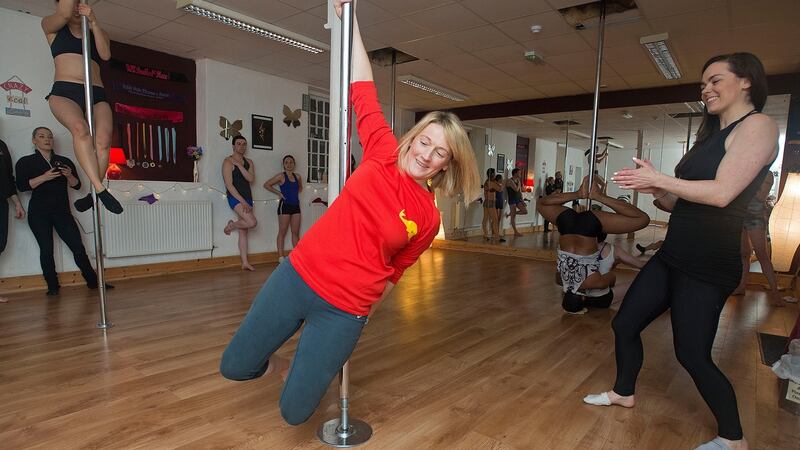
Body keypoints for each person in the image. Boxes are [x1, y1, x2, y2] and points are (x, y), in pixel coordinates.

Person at [219, 0, 480, 426]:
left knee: (295, 413)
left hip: (346, 309)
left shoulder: (429, 218)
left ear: (446, 164)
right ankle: (287, 365)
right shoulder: (380, 150)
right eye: (424, 142)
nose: (427, 154)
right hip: (297, 277)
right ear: (413, 139)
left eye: (440, 152)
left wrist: (360, 317)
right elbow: (362, 87)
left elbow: (394, 274)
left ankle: (305, 371)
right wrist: (350, 19)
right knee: (235, 366)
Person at [589, 53, 778, 450]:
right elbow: (684, 203)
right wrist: (658, 190)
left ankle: (732, 438)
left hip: (708, 263)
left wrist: (662, 179)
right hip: (674, 254)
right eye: (703, 84)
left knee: (691, 354)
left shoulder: (758, 126)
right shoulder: (710, 136)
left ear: (746, 82)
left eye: (714, 80)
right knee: (624, 325)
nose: (705, 89)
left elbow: (724, 194)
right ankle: (624, 392)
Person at [42, 0, 122, 214]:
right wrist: (70, 6)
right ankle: (99, 189)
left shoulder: (96, 31)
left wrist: (94, 21)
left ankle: (93, 193)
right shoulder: (51, 26)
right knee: (80, 129)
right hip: (64, 91)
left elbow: (105, 55)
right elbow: (65, 13)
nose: (77, 6)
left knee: (104, 140)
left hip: (96, 92)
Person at [15, 127, 111, 296]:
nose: (47, 139)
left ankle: (93, 282)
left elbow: (77, 185)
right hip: (39, 213)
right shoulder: (25, 161)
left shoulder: (64, 161)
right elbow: (22, 186)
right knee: (46, 249)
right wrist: (44, 177)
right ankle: (53, 286)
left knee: (78, 247)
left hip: (62, 211)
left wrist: (68, 176)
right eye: (42, 136)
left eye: (50, 137)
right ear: (34, 140)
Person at [538, 177, 649, 314]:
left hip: (589, 228)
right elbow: (543, 202)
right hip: (566, 225)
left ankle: (600, 197)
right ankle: (578, 193)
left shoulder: (595, 283)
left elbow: (612, 278)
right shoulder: (560, 279)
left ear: (583, 299)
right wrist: (577, 196)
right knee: (541, 204)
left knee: (642, 219)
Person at [733, 174, 786, 305]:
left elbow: (760, 196)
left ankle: (775, 294)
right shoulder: (746, 169)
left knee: (762, 254)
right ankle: (741, 286)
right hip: (739, 214)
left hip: (754, 216)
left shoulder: (767, 174)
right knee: (744, 253)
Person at [222, 136, 257, 271]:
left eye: (244, 144)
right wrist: (242, 202)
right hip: (235, 198)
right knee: (252, 222)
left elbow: (251, 178)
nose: (241, 146)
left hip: (248, 197)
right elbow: (229, 185)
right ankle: (232, 225)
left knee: (244, 231)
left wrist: (239, 165)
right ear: (233, 146)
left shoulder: (249, 162)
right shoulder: (227, 162)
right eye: (238, 144)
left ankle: (245, 262)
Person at [264, 155, 303, 263]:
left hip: (296, 206)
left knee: (295, 232)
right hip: (284, 206)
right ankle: (281, 257)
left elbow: (300, 187)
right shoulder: (281, 176)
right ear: (284, 164)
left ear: (294, 164)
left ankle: (297, 257)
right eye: (286, 162)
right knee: (282, 231)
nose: (289, 164)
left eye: (291, 162)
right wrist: (279, 193)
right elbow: (267, 185)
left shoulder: (298, 176)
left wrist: (294, 194)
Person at [1, 139, 26, 303]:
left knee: (0, 244)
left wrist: (17, 203)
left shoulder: (2, 145)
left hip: (1, 201)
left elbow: (7, 177)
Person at [506, 168, 525, 236]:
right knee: (513, 217)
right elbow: (516, 189)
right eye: (519, 173)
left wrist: (522, 201)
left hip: (518, 199)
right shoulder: (510, 181)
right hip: (512, 200)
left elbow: (520, 192)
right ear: (515, 173)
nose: (520, 174)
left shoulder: (518, 181)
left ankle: (511, 213)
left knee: (524, 211)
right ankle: (515, 232)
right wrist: (519, 184)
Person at [481, 167, 497, 241]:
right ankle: (495, 235)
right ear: (492, 174)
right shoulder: (489, 182)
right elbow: (500, 188)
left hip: (488, 202)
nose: (495, 174)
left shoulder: (489, 182)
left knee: (486, 218)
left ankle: (486, 234)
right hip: (489, 202)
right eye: (494, 173)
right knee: (494, 219)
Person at [494, 173, 506, 242]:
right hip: (497, 201)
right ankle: (495, 232)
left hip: (500, 201)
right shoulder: (497, 186)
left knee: (499, 218)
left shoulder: (500, 185)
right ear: (499, 179)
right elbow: (499, 190)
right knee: (496, 218)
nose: (502, 180)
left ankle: (497, 231)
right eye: (501, 179)